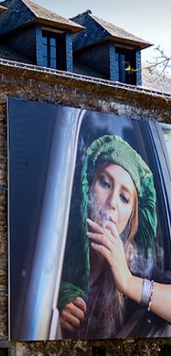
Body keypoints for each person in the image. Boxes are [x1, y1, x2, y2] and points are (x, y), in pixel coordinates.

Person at [58, 134, 159, 338]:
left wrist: (128, 281)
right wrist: (54, 307)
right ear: (88, 187)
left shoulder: (137, 268)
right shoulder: (56, 245)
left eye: (124, 198)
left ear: (131, 218)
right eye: (105, 183)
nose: (112, 202)